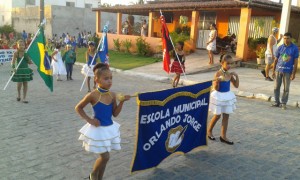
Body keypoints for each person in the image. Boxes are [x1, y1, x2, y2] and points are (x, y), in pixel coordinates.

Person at [75, 63, 130, 180]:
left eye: (111, 78)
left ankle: (99, 178)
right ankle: (93, 174)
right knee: (105, 157)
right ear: (96, 79)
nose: (109, 81)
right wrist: (89, 120)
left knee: (105, 158)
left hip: (109, 129)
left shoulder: (112, 95)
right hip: (98, 130)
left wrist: (122, 102)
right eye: (106, 78)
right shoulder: (92, 95)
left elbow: (115, 114)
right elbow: (78, 108)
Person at [207, 54, 239, 145]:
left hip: (227, 96)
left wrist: (236, 76)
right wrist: (217, 82)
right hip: (219, 96)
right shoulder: (218, 73)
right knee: (217, 116)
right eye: (227, 63)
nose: (229, 66)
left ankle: (223, 136)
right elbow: (216, 88)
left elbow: (236, 85)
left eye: (231, 64)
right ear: (222, 63)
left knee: (226, 116)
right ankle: (209, 131)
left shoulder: (229, 74)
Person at [271, 32, 299, 110]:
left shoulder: (295, 48)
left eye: (288, 38)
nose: (286, 40)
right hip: (278, 70)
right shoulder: (280, 47)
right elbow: (276, 60)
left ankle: (283, 103)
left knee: (286, 89)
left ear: (291, 39)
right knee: (276, 87)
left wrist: (293, 73)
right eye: (285, 38)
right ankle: (277, 102)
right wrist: (273, 71)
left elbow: (296, 62)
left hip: (288, 72)